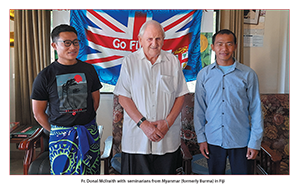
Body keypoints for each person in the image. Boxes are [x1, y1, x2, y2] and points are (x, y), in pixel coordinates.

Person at [113, 20, 189, 174]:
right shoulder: (130, 62)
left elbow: (181, 95)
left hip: (166, 138)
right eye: (149, 39)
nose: (154, 43)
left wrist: (167, 123)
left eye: (158, 38)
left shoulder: (173, 61)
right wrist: (144, 124)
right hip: (137, 140)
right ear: (140, 40)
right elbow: (123, 97)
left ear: (163, 40)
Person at [31, 24, 102, 175]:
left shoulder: (89, 70)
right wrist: (58, 130)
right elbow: (38, 113)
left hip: (88, 132)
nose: (72, 47)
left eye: (75, 42)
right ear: (54, 45)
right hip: (61, 138)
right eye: (67, 43)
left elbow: (95, 102)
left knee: (91, 174)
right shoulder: (45, 76)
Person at [194, 29, 263, 174]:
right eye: (219, 44)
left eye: (229, 44)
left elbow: (256, 109)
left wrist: (255, 143)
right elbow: (199, 109)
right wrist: (201, 138)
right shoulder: (204, 75)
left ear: (235, 46)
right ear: (212, 47)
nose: (224, 49)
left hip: (241, 140)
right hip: (213, 139)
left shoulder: (248, 75)